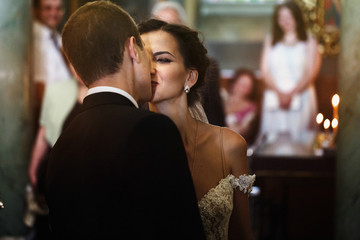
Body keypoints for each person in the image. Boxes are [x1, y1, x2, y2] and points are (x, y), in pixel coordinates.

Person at [44, 2, 205, 239]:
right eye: (146, 53)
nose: (152, 68)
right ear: (132, 48)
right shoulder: (151, 129)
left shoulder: (63, 142)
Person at [139, 19, 255, 240]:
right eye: (144, 60)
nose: (151, 69)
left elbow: (242, 234)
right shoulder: (131, 146)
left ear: (190, 77)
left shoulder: (229, 146)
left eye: (163, 59)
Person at [151, 1, 226, 127]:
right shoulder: (141, 66)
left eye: (172, 25)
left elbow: (215, 114)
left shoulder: (207, 67)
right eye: (159, 24)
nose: (164, 31)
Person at [259, 0, 322, 142]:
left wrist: (291, 94)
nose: (285, 21)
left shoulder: (309, 40)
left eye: (289, 17)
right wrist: (280, 93)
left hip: (301, 95)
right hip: (274, 95)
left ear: (297, 17)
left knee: (300, 142)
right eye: (281, 18)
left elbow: (310, 72)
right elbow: (264, 69)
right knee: (273, 142)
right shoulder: (271, 39)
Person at [225, 68, 260, 145]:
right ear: (233, 84)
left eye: (246, 86)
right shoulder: (222, 97)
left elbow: (241, 132)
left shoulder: (252, 109)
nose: (241, 89)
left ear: (250, 90)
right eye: (240, 84)